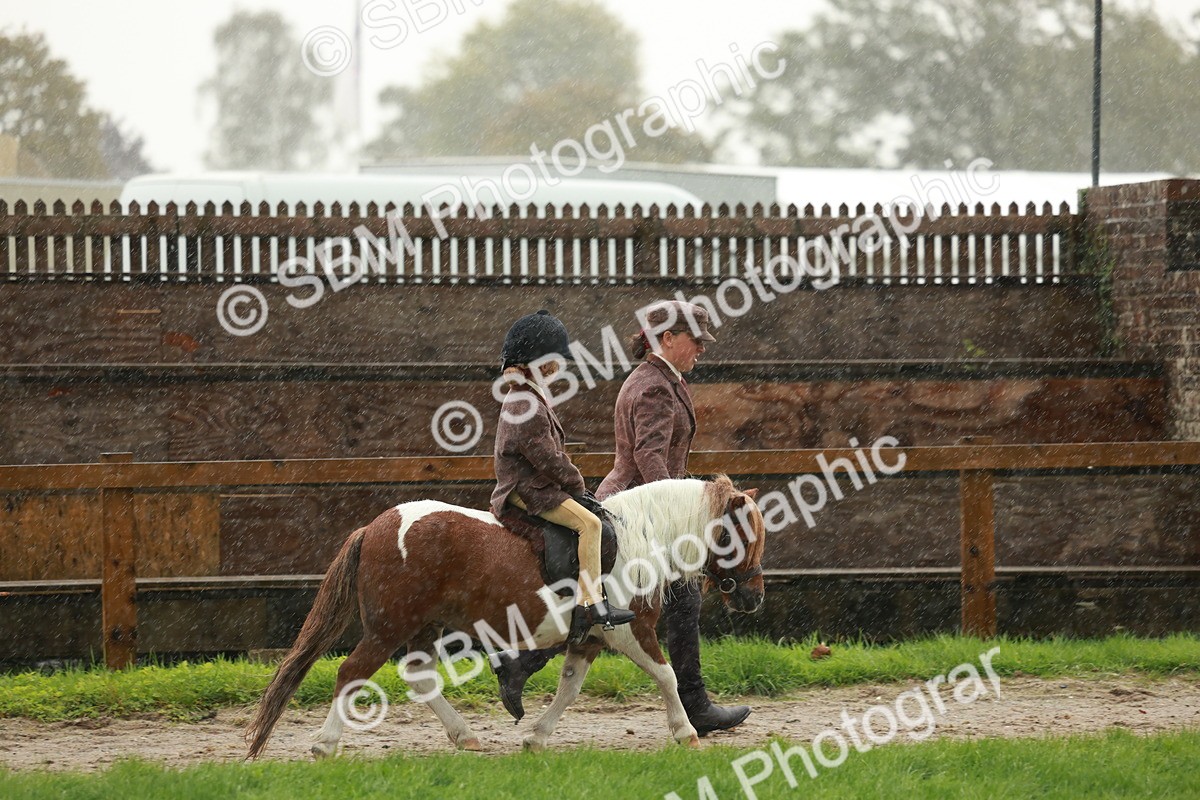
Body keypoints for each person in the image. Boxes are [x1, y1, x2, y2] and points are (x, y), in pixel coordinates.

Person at [494, 301, 751, 735]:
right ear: (668, 339)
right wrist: (675, 512)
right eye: (696, 340)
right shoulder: (653, 387)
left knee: (624, 602)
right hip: (642, 507)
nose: (702, 350)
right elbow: (650, 457)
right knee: (674, 600)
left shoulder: (661, 380)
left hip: (638, 503)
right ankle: (693, 706)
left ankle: (525, 658)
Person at [489, 310, 635, 645]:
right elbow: (548, 458)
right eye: (555, 360)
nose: (560, 367)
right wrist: (577, 484)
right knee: (592, 525)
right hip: (528, 491)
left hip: (534, 484)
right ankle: (592, 602)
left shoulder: (527, 396)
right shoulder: (524, 402)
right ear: (539, 362)